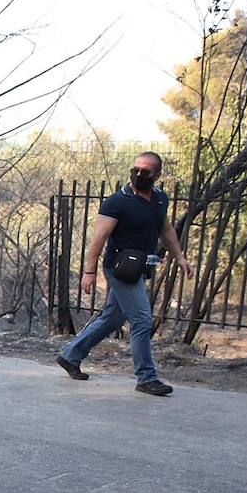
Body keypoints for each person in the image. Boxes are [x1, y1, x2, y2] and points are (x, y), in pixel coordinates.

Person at [56, 151, 194, 395]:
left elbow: (165, 229)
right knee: (141, 319)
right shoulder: (116, 202)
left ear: (157, 175)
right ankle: (146, 378)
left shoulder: (160, 199)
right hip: (119, 268)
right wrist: (89, 271)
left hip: (140, 267)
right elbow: (99, 237)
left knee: (113, 317)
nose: (139, 175)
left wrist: (180, 257)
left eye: (145, 172)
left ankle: (71, 355)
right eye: (136, 170)